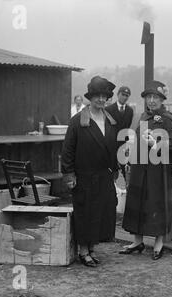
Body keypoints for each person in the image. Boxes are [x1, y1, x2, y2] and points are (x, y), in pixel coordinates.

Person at [61, 76, 119, 267]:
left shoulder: (110, 120)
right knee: (85, 213)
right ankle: (83, 251)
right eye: (97, 96)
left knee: (100, 213)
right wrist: (69, 175)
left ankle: (92, 248)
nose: (101, 100)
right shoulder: (78, 121)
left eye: (104, 96)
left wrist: (115, 169)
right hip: (84, 176)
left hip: (104, 175)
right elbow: (67, 150)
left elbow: (112, 147)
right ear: (90, 97)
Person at [120, 80, 172, 260]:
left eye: (155, 97)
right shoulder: (143, 117)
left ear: (162, 100)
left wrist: (158, 144)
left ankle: (159, 242)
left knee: (157, 202)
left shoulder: (169, 119)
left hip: (159, 170)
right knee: (137, 201)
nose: (151, 101)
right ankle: (138, 241)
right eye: (149, 97)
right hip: (140, 167)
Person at [105, 86, 134, 186]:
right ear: (118, 95)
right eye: (123, 95)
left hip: (123, 144)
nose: (125, 97)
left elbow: (127, 126)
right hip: (111, 144)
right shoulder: (108, 109)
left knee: (124, 168)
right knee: (111, 169)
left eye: (127, 96)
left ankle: (124, 191)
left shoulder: (130, 111)